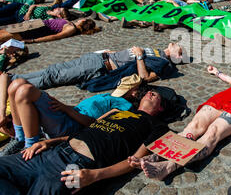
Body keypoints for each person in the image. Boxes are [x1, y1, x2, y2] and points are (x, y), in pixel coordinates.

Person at [0, 83, 173, 195]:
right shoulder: (117, 111)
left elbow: (134, 161)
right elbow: (89, 130)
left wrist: (95, 175)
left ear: (162, 107)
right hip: (53, 152)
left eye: (155, 94)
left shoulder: (158, 127)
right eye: (149, 91)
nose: (150, 93)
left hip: (77, 168)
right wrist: (51, 141)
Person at [0, 74, 142, 156]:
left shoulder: (124, 105)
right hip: (67, 114)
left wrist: (66, 109)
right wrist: (64, 106)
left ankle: (29, 145)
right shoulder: (108, 96)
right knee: (16, 84)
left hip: (71, 126)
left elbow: (96, 125)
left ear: (134, 93)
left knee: (25, 91)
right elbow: (78, 108)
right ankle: (19, 138)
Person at [10, 43, 184, 90]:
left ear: (178, 56)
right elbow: (126, 53)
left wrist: (139, 56)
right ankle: (12, 79)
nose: (174, 43)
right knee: (53, 70)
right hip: (99, 57)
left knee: (53, 77)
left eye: (178, 46)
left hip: (102, 67)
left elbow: (145, 78)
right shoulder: (157, 50)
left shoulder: (163, 63)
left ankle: (12, 84)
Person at [0, 18, 100, 45]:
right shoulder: (70, 24)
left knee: (2, 36)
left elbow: (55, 37)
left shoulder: (71, 29)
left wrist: (33, 40)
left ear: (83, 21)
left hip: (34, 30)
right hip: (34, 24)